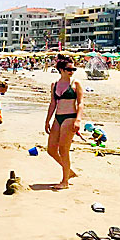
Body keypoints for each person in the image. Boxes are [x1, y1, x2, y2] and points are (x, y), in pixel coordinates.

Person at [45, 55, 84, 190]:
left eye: (73, 68)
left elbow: (80, 103)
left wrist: (78, 120)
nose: (71, 71)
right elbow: (52, 103)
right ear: (61, 70)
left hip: (70, 117)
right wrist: (47, 120)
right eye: (69, 69)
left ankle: (65, 181)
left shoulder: (75, 84)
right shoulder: (54, 84)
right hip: (58, 117)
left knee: (63, 149)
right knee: (50, 149)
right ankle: (69, 171)